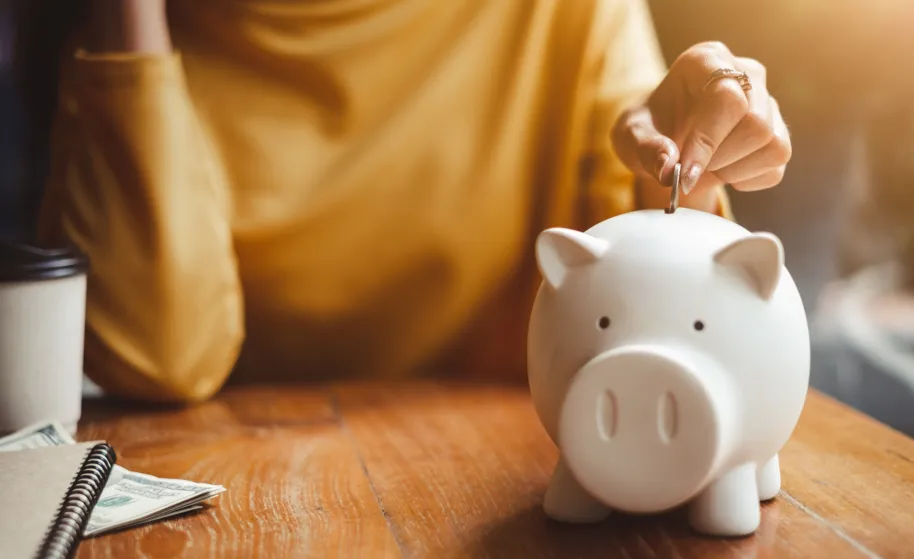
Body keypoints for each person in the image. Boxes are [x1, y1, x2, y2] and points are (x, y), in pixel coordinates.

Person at [17, 0, 791, 403]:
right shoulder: (137, 39)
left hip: (506, 479)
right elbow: (154, 359)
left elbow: (650, 297)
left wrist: (679, 164)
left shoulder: (555, 16)